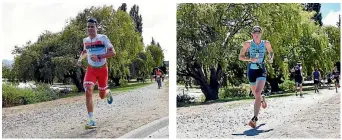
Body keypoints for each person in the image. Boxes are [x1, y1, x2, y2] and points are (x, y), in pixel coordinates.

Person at [76, 18, 116, 129]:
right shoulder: (85, 40)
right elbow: (85, 52)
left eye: (92, 26)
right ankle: (91, 120)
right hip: (91, 70)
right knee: (88, 90)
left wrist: (99, 57)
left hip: (103, 70)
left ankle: (108, 93)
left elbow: (113, 52)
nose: (90, 29)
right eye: (88, 26)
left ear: (96, 28)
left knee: (101, 96)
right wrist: (80, 59)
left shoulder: (103, 38)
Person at [239, 26, 274, 128]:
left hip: (261, 69)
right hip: (251, 70)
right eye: (255, 32)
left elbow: (271, 52)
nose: (257, 34)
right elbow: (240, 57)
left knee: (257, 92)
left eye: (258, 32)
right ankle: (262, 99)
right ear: (252, 34)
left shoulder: (266, 43)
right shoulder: (248, 44)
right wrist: (250, 59)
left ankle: (254, 119)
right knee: (256, 94)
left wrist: (271, 57)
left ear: (261, 33)